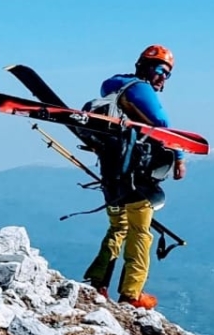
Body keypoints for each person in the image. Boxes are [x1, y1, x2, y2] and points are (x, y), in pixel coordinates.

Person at [79, 44, 187, 310]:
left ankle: (97, 283)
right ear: (145, 67)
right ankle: (131, 295)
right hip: (136, 177)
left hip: (110, 173)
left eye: (167, 73)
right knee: (140, 232)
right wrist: (180, 160)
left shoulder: (113, 87)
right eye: (160, 70)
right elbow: (162, 125)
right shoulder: (140, 89)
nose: (163, 77)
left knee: (118, 227)